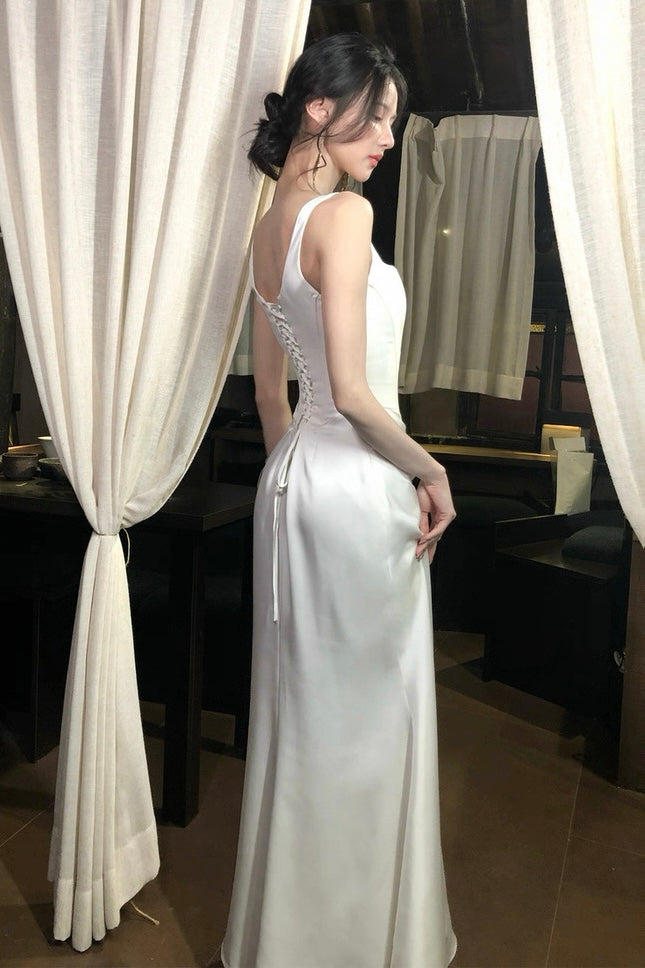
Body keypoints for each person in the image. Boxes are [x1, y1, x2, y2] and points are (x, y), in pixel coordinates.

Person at [220, 32, 457, 968]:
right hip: (355, 484)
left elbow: (272, 398)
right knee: (367, 722)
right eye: (379, 116)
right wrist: (429, 472)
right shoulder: (344, 216)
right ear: (320, 108)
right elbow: (356, 395)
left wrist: (294, 485)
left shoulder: (265, 228)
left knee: (306, 716)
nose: (389, 137)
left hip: (292, 485)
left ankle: (290, 940)